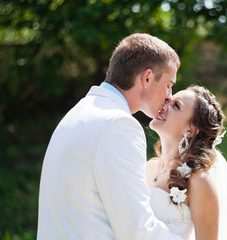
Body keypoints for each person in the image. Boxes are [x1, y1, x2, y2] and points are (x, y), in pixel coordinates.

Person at [37, 33, 183, 239]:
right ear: (147, 78)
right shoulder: (118, 125)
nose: (169, 96)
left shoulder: (79, 112)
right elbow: (137, 229)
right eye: (169, 84)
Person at [146, 85, 227, 240]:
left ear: (191, 130)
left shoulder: (199, 181)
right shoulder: (148, 166)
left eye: (176, 105)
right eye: (168, 100)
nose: (164, 105)